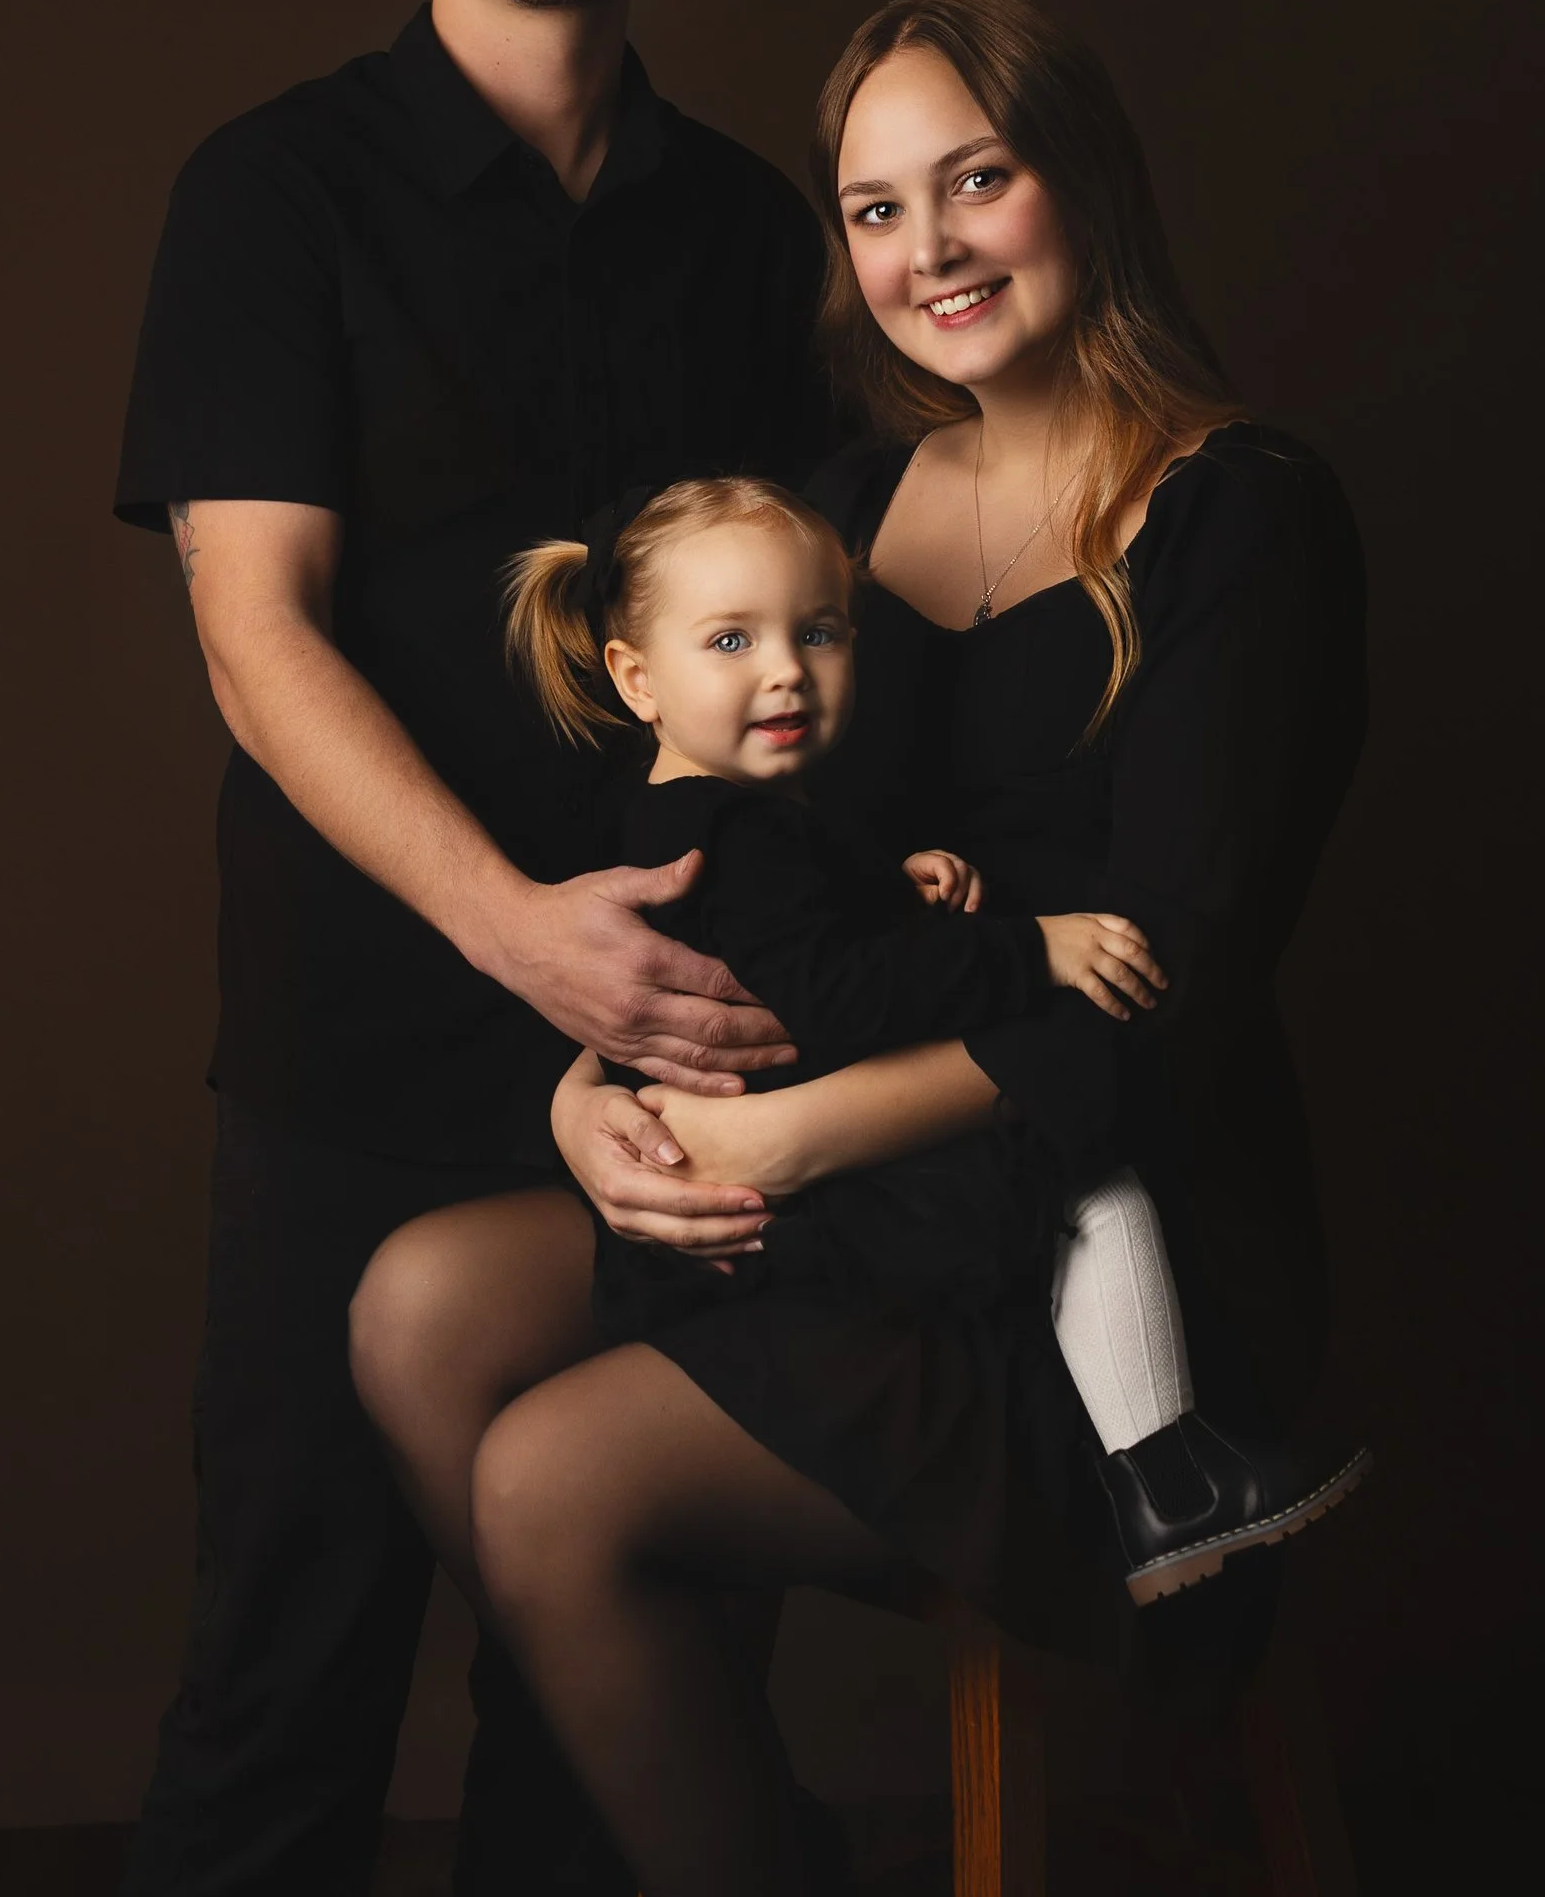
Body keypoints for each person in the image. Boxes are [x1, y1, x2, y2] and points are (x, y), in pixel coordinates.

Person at [350, 0, 1367, 1897]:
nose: (930, 247)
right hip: (841, 1197)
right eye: (878, 206)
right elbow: (727, 872)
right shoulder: (839, 507)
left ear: (1082, 179)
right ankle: (744, 1864)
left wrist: (781, 1144)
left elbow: (1172, 1006)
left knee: (553, 1478)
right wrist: (594, 1090)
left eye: (976, 179)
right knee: (421, 1307)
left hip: (1102, 1248)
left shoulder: (1242, 514)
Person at [58, 0, 838, 1897]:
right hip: (371, 1050)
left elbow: (800, 651)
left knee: (602, 1633)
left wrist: (715, 1010)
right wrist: (515, 935)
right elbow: (253, 635)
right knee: (287, 1660)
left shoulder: (741, 228)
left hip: (667, 1058)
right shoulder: (270, 193)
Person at [498, 473, 1367, 1591]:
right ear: (636, 679)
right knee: (1088, 1192)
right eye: (730, 641)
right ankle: (1168, 1483)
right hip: (809, 1205)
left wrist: (889, 887)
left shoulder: (713, 812)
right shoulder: (740, 831)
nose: (785, 670)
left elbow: (793, 939)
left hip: (789, 1175)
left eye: (819, 633)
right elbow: (842, 997)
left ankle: (1168, 1485)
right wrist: (1033, 947)